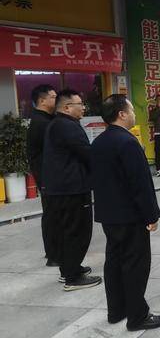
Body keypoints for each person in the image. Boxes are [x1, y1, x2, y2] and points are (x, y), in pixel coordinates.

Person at [91, 94, 160, 330]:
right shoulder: (127, 142)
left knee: (114, 262)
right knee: (135, 264)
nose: (135, 114)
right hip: (130, 216)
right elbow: (140, 184)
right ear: (122, 114)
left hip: (109, 215)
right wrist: (151, 215)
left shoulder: (99, 142)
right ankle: (137, 316)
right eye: (132, 110)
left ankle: (117, 310)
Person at [42, 89, 101, 291]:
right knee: (78, 231)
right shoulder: (67, 126)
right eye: (80, 104)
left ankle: (69, 269)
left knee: (67, 230)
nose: (83, 107)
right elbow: (87, 153)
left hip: (60, 188)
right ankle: (72, 277)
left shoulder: (57, 124)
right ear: (67, 107)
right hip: (72, 189)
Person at [26, 84, 57, 266]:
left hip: (48, 175)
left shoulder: (46, 119)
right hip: (47, 176)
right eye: (53, 97)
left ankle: (54, 252)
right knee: (53, 214)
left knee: (53, 213)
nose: (56, 99)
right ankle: (53, 255)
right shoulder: (41, 123)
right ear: (42, 100)